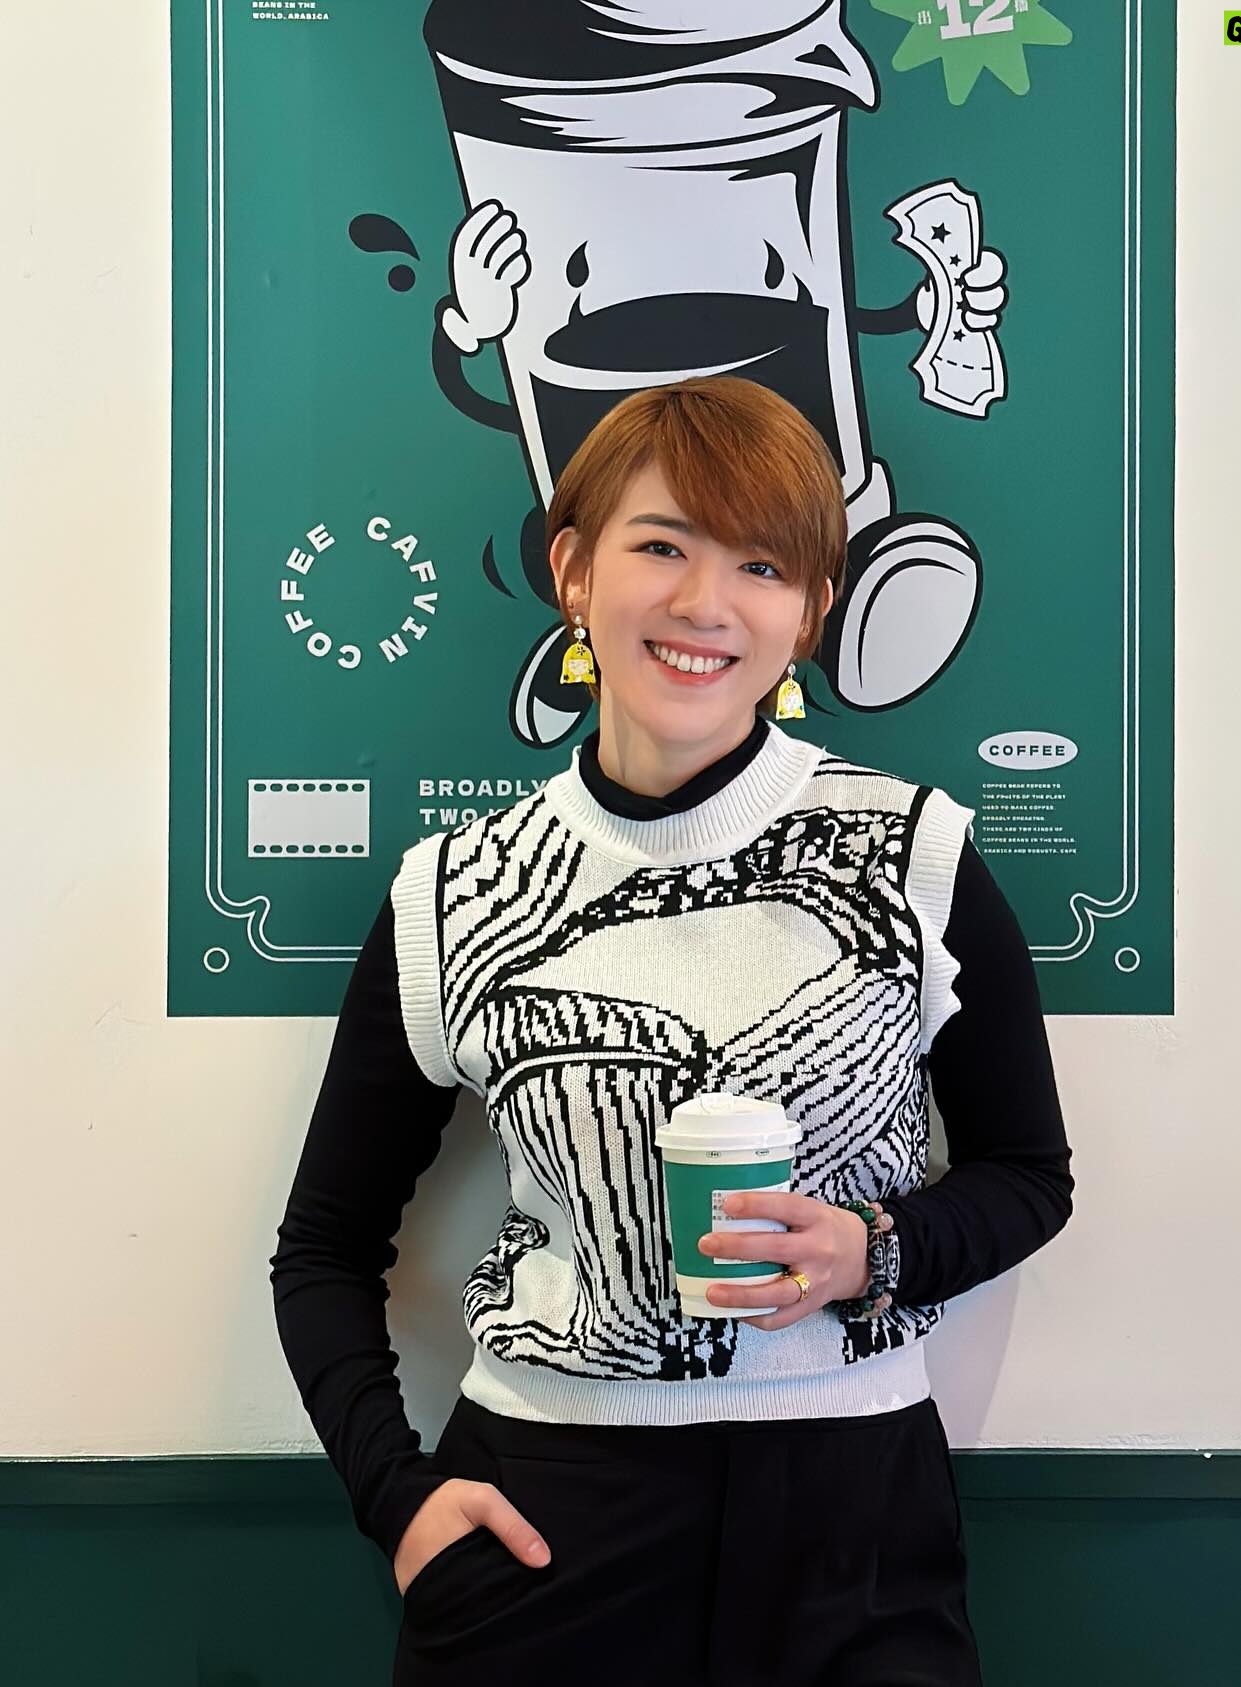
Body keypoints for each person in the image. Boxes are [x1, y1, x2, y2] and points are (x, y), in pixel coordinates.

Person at [269, 375, 1074, 1687]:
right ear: (575, 573)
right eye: (662, 546)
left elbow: (1029, 1177)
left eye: (762, 565)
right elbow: (323, 1249)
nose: (707, 603)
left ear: (812, 613)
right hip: (543, 1520)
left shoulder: (913, 854)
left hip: (852, 1514)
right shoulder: (453, 891)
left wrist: (877, 1250)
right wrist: (396, 1500)